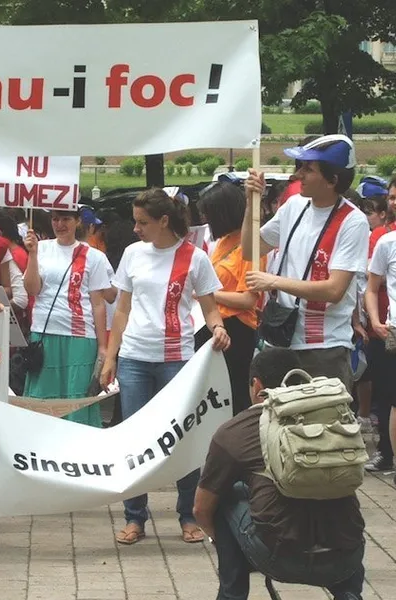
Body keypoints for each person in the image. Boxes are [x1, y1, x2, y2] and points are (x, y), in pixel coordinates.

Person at [100, 188, 230, 546]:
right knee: (134, 440)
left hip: (178, 359)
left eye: (142, 222)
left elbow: (210, 307)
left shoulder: (196, 258)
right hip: (134, 358)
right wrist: (111, 357)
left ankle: (189, 515)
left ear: (164, 221)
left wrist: (218, 328)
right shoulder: (132, 254)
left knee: (182, 438)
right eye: (135, 221)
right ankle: (134, 517)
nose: (136, 229)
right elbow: (122, 309)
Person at [194, 348, 366, 600]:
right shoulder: (336, 417)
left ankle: (232, 594)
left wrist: (225, 543)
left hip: (279, 556)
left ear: (256, 385)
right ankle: (349, 593)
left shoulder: (234, 432)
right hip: (346, 557)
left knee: (225, 495)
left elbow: (200, 509)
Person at [243, 134, 369, 394]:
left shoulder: (352, 221)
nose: (298, 174)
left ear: (332, 180)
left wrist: (274, 281)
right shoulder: (294, 207)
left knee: (323, 428)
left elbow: (335, 290)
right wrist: (250, 202)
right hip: (281, 339)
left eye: (308, 169)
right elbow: (249, 249)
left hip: (324, 347)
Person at [23, 208, 112, 427]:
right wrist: (32, 255)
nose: (60, 224)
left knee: (77, 399)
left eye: (66, 219)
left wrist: (103, 347)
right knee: (42, 398)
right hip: (44, 332)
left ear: (77, 221)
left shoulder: (94, 256)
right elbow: (32, 289)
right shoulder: (41, 248)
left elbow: (98, 304)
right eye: (55, 219)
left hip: (81, 336)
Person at [196, 182, 264, 414]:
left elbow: (248, 300)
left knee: (233, 393)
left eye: (209, 214)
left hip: (237, 329)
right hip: (214, 325)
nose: (205, 219)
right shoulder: (223, 242)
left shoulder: (249, 247)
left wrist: (207, 294)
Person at [365, 176, 396, 473]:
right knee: (389, 395)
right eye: (391, 196)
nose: (394, 202)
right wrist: (373, 320)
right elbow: (369, 284)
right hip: (388, 329)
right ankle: (388, 454)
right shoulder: (382, 239)